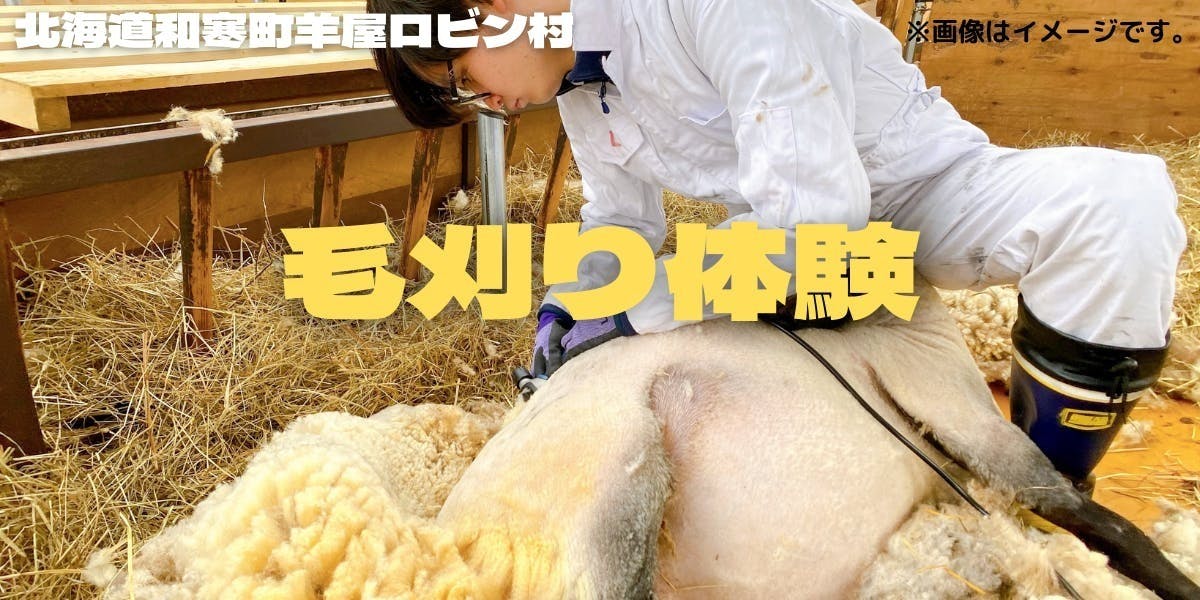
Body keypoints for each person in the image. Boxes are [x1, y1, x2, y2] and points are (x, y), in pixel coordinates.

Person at [367, 0, 1186, 491]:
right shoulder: (583, 81)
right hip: (802, 249)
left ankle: (1051, 485)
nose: (487, 103)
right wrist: (574, 303)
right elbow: (621, 223)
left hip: (923, 194)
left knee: (1120, 204)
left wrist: (639, 310)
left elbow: (816, 221)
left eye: (465, 79)